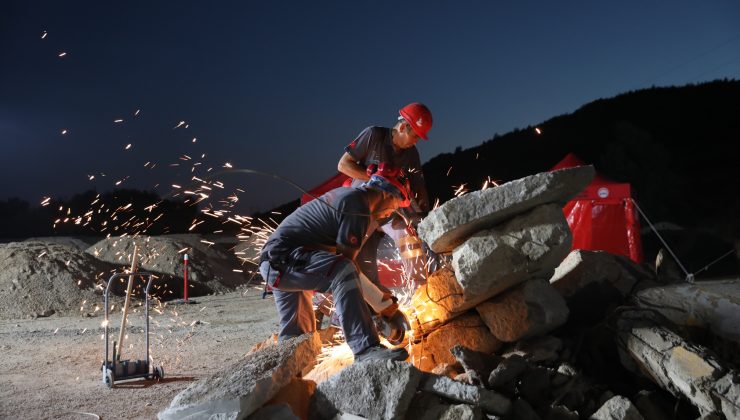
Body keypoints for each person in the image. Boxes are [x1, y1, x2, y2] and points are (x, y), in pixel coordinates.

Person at [258, 166, 411, 363]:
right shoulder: (358, 207)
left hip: (279, 263)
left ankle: (285, 382)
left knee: (298, 339)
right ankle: (366, 349)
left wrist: (379, 300)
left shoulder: (351, 197)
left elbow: (347, 265)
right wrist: (380, 303)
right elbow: (346, 268)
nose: (391, 212)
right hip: (286, 259)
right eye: (396, 205)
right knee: (343, 271)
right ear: (385, 193)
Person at [337, 102, 434, 286]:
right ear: (404, 127)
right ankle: (324, 303)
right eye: (415, 136)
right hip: (362, 208)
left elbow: (419, 187)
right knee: (351, 254)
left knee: (408, 236)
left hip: (390, 210)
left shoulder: (411, 153)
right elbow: (343, 164)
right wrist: (374, 178)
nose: (416, 141)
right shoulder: (374, 135)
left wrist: (425, 216)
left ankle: (420, 290)